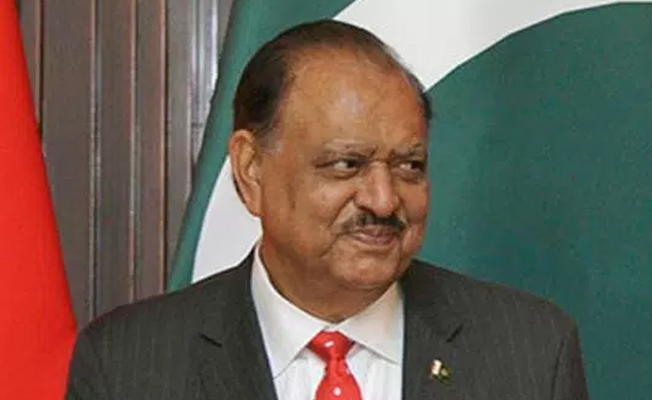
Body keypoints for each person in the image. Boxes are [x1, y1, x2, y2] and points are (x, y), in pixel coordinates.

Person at [66, 20, 589, 400]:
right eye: (346, 165)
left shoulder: (530, 352)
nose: (383, 200)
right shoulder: (129, 366)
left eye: (409, 166)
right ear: (251, 170)